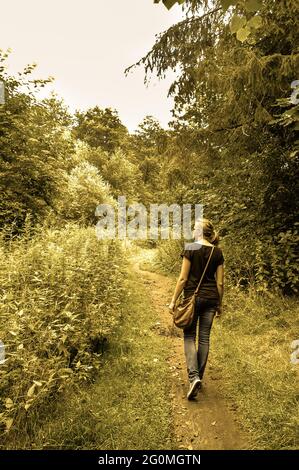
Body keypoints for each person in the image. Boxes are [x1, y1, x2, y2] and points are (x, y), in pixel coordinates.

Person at [168, 218, 224, 400]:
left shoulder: (191, 248)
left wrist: (173, 301)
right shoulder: (218, 252)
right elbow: (220, 283)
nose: (192, 230)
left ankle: (194, 378)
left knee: (189, 336)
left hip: (192, 298)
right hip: (210, 299)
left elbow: (183, 279)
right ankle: (198, 377)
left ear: (199, 231)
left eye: (194, 228)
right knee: (205, 338)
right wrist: (219, 304)